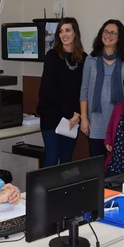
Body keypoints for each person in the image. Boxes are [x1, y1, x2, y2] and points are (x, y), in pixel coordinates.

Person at [80, 19, 124, 157]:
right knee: (97, 166)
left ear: (119, 37)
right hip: (96, 122)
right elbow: (84, 90)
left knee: (117, 167)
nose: (108, 35)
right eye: (106, 31)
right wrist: (84, 118)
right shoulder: (91, 59)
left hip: (120, 120)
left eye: (113, 33)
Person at [36, 17, 87, 166]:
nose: (64, 34)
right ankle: (45, 190)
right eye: (61, 31)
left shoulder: (84, 59)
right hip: (52, 116)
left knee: (66, 159)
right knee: (51, 159)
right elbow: (48, 90)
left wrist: (76, 114)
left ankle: (64, 191)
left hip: (73, 119)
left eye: (68, 30)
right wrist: (69, 113)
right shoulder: (52, 56)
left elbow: (84, 91)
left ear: (75, 33)